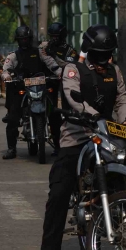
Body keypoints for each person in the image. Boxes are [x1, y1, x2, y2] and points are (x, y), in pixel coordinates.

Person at [41, 24, 126, 249]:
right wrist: (93, 115)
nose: (104, 60)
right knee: (59, 193)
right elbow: (74, 99)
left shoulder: (115, 71)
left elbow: (122, 100)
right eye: (101, 55)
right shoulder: (73, 70)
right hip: (77, 137)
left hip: (107, 135)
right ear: (89, 51)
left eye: (108, 54)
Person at [1, 26, 62, 159]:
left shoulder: (40, 52)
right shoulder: (13, 55)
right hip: (22, 89)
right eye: (21, 39)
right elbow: (6, 69)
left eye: (26, 39)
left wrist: (60, 73)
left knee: (55, 115)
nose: (24, 41)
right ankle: (11, 149)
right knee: (12, 118)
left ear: (30, 39)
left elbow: (52, 64)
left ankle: (58, 147)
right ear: (17, 40)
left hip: (41, 88)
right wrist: (7, 76)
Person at [40, 22, 79, 157]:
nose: (54, 39)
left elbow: (71, 66)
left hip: (64, 84)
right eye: (52, 36)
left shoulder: (70, 50)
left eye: (57, 36)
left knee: (67, 114)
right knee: (52, 115)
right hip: (47, 83)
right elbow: (42, 60)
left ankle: (66, 144)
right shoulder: (44, 47)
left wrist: (55, 57)